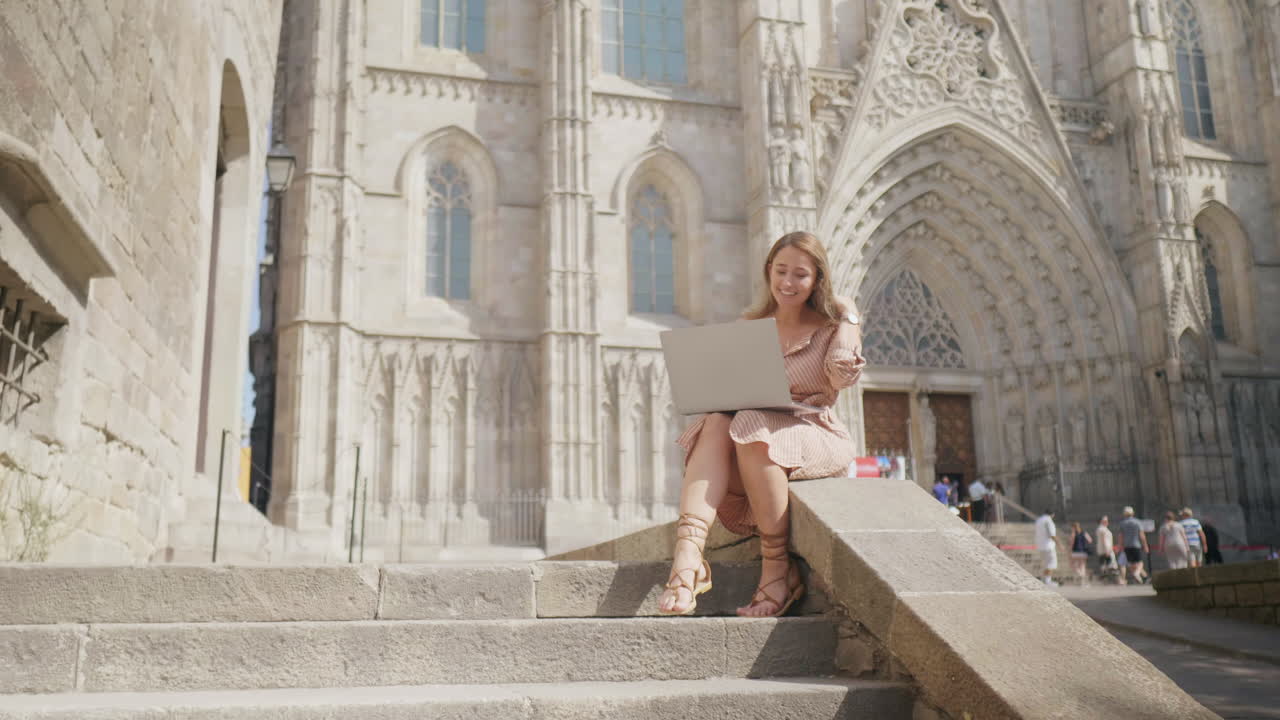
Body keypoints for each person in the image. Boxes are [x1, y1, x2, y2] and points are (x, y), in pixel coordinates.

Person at [657, 231, 866, 618]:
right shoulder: (751, 323)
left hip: (815, 432)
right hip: (755, 437)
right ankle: (688, 558)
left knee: (749, 423)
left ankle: (776, 569)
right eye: (781, 270)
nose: (788, 282)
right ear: (769, 271)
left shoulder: (831, 324)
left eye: (800, 275)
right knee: (719, 420)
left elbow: (840, 376)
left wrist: (850, 314)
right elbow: (731, 392)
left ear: (818, 279)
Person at [1118, 506, 1149, 584]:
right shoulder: (1137, 522)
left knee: (1131, 563)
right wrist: (1145, 546)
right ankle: (1137, 573)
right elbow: (1142, 535)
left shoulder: (1122, 523)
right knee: (1140, 562)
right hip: (1136, 545)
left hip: (1127, 546)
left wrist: (1120, 546)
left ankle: (1140, 578)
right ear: (1132, 513)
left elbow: (1121, 536)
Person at [1034, 508, 1063, 586]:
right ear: (1052, 514)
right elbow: (1052, 534)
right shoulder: (1048, 521)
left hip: (1040, 545)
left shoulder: (1039, 520)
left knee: (1046, 564)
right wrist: (1059, 544)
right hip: (1048, 546)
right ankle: (1047, 581)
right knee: (1051, 563)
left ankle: (1045, 580)